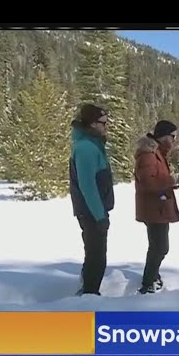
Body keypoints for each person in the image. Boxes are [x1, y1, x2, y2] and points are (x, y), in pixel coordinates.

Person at [134, 119, 179, 294]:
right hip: (153, 209)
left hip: (159, 207)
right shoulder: (148, 155)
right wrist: (172, 180)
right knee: (159, 247)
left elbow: (158, 180)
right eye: (173, 136)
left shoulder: (157, 153)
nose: (174, 140)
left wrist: (177, 183)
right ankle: (148, 283)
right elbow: (148, 183)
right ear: (164, 136)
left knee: (159, 247)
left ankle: (152, 278)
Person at [69, 103, 114, 296]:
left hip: (94, 210)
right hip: (91, 212)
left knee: (95, 255)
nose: (106, 126)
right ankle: (89, 296)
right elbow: (87, 185)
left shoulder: (93, 144)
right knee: (96, 258)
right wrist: (99, 216)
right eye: (103, 122)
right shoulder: (86, 148)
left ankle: (89, 292)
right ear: (93, 124)